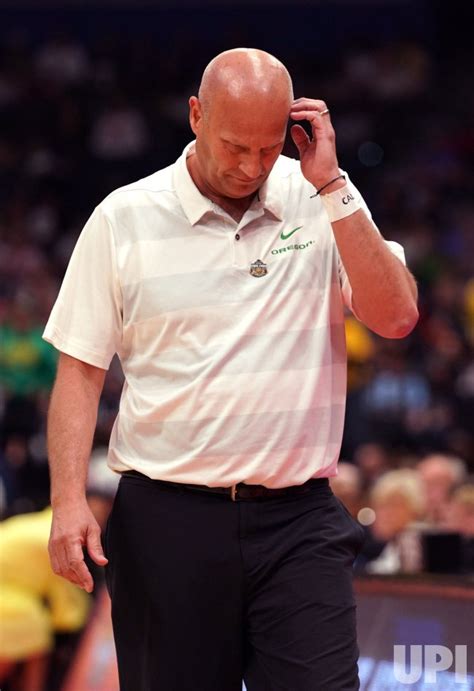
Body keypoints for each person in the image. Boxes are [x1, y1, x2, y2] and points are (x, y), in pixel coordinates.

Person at [43, 48, 418, 691]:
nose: (250, 167)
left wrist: (331, 186)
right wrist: (68, 499)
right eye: (233, 146)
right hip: (167, 523)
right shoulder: (122, 216)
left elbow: (397, 317)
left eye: (269, 149)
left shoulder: (323, 201)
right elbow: (79, 372)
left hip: (299, 521)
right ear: (195, 114)